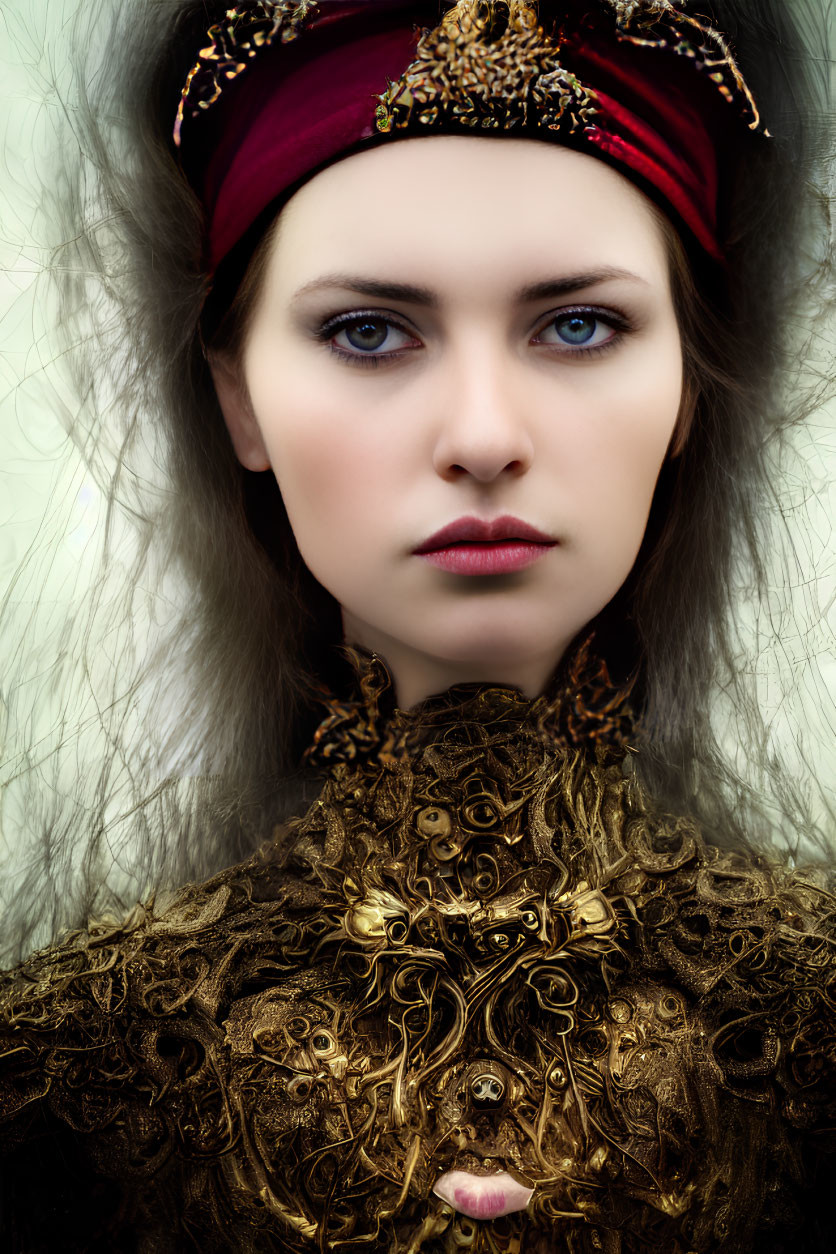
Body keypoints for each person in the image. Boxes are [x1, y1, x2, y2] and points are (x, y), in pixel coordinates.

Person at [0, 1, 833, 1250]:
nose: (484, 436)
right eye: (370, 331)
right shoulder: (79, 1064)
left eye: (577, 324)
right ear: (238, 401)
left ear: (685, 394)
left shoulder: (809, 1024)